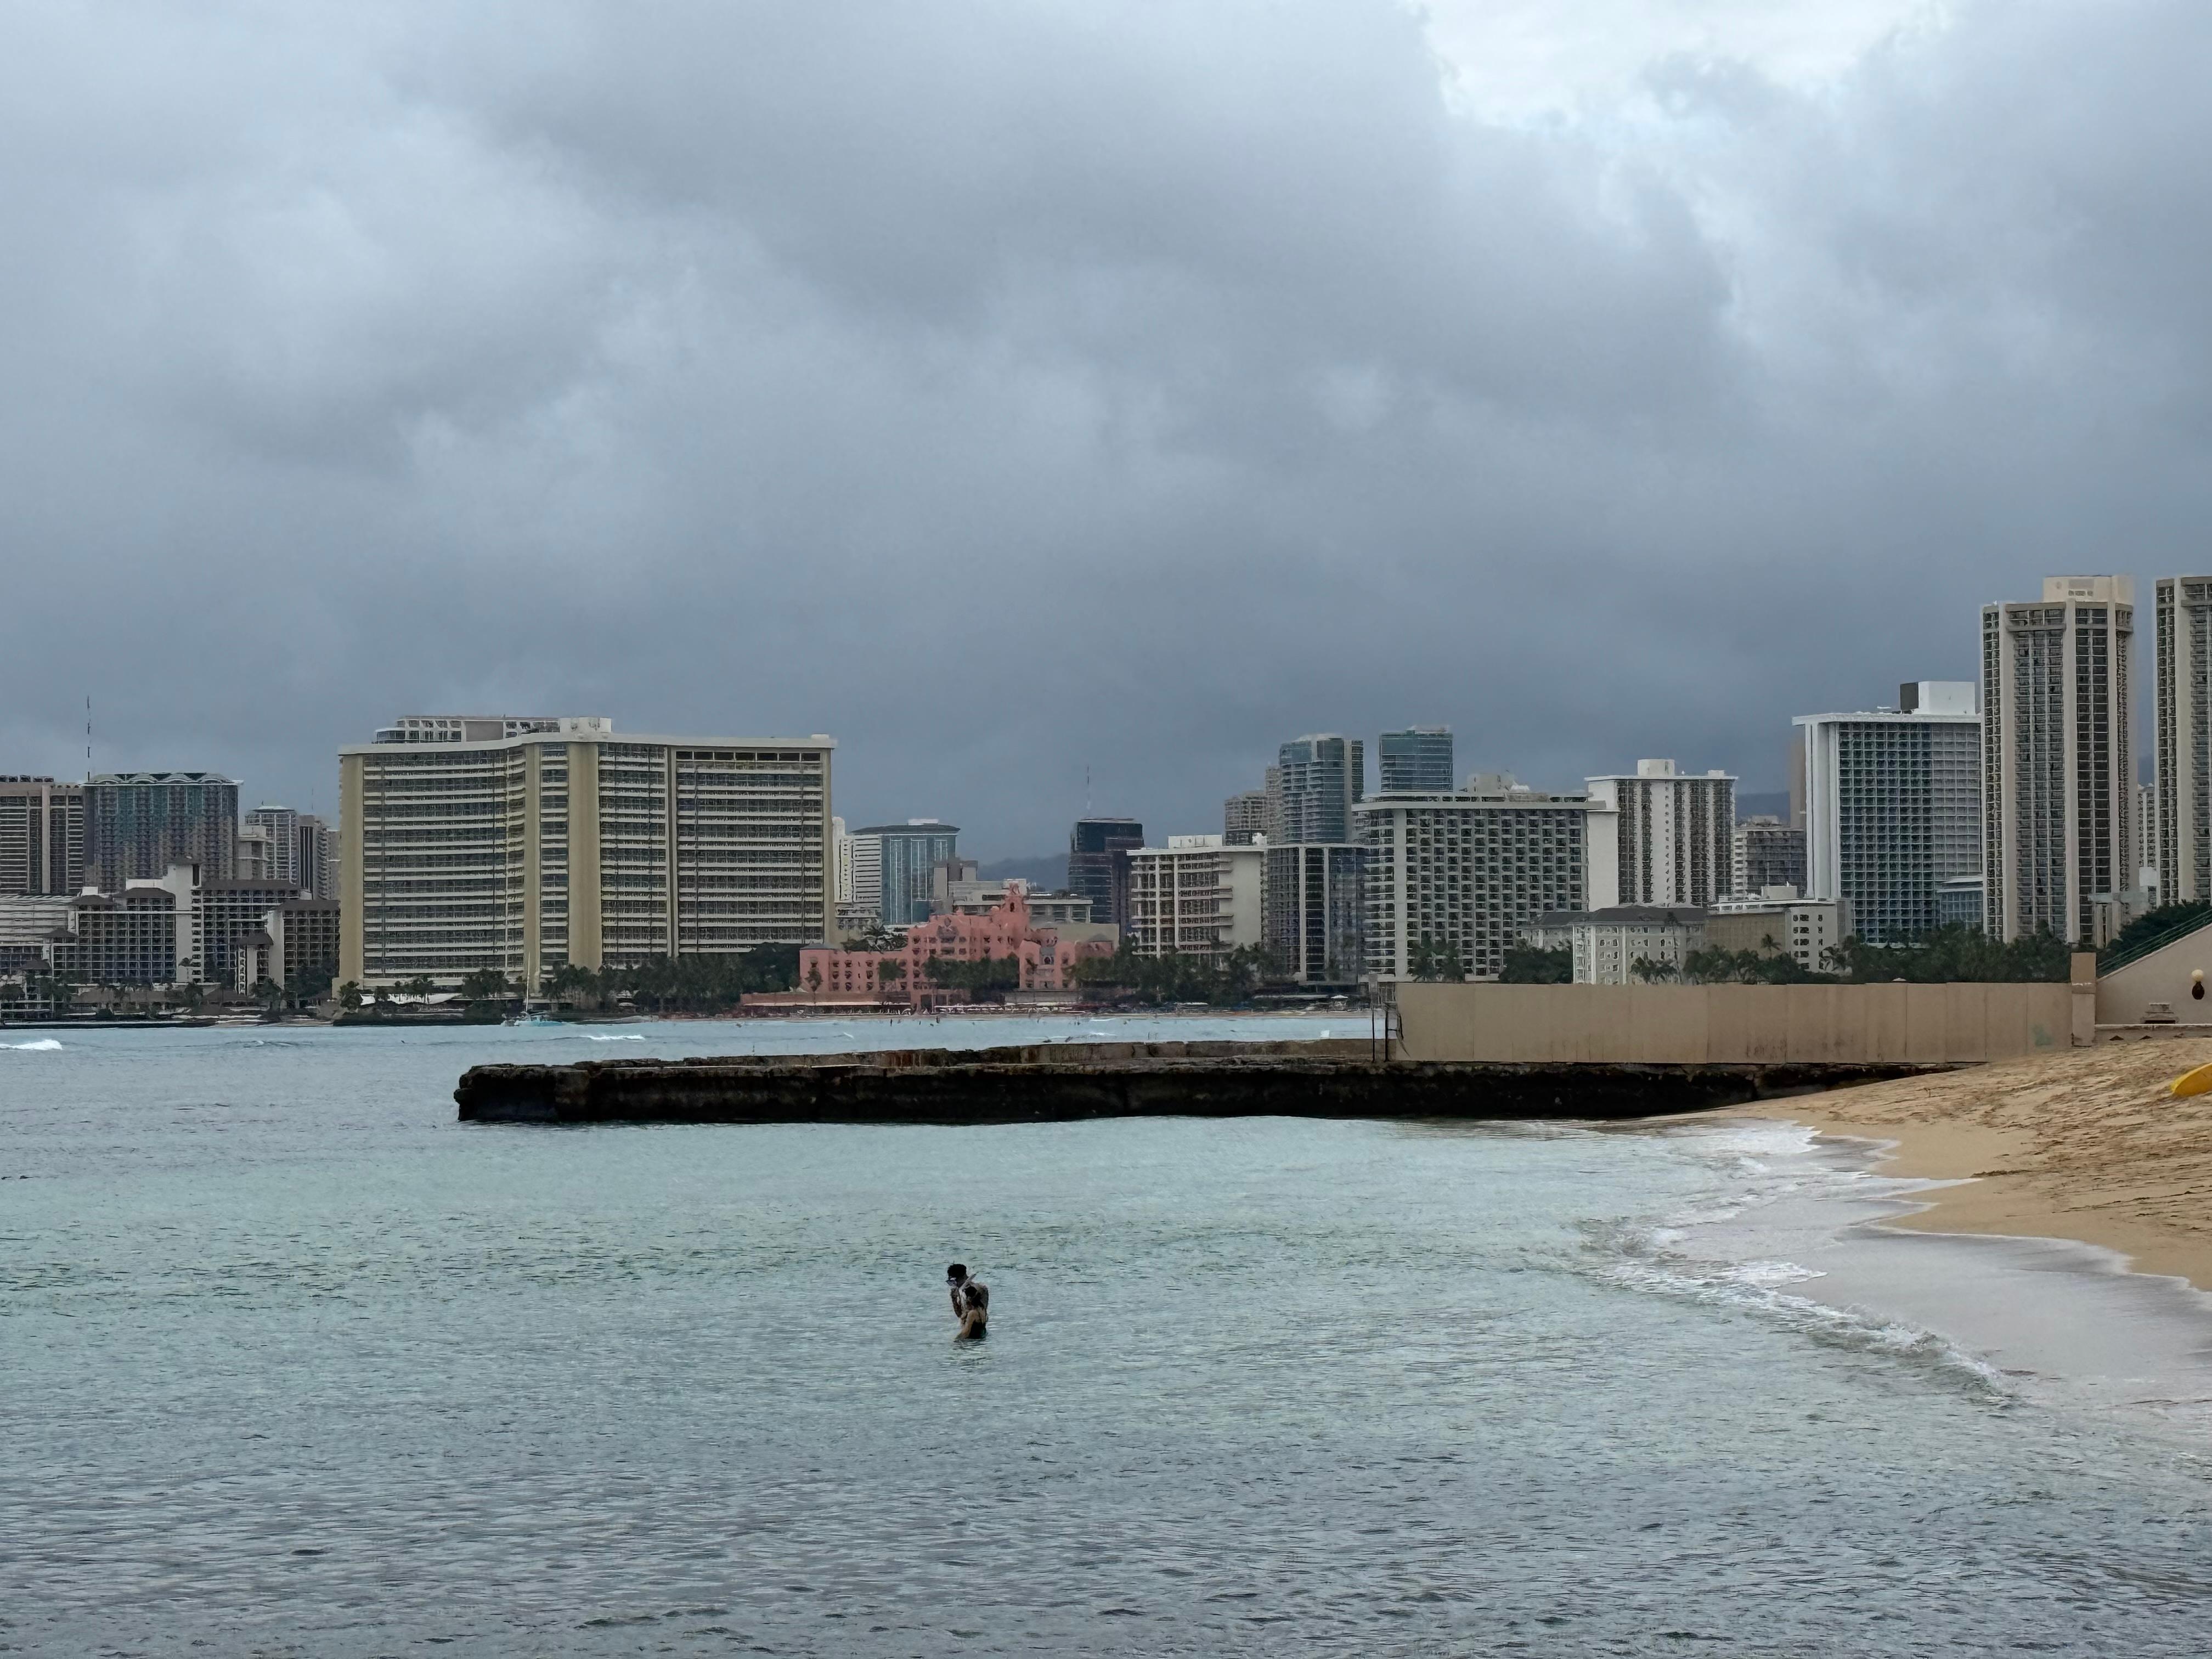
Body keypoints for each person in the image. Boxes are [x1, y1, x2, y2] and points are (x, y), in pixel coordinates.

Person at [946, 1262, 989, 1340]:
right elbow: (960, 1315)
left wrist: (955, 1342)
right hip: (969, 1334)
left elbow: (981, 1315)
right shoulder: (958, 1291)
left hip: (976, 1336)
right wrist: (954, 1299)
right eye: (950, 1283)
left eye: (954, 1282)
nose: (954, 1285)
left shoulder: (979, 1289)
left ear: (963, 1278)